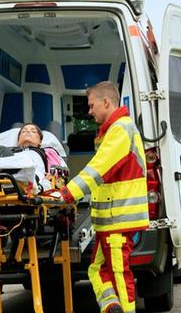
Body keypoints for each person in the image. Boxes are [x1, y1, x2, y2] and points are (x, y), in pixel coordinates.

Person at [48, 82, 148, 313]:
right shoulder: (113, 131)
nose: (90, 111)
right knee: (96, 269)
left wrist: (66, 194)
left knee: (119, 274)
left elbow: (98, 170)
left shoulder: (121, 129)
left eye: (92, 106)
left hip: (119, 218)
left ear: (106, 102)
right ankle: (112, 306)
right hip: (110, 219)